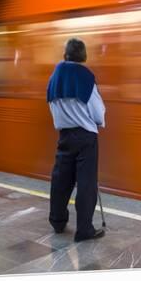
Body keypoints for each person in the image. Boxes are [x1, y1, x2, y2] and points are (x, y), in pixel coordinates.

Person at [46, 38, 106, 242]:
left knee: (61, 180)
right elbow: (98, 112)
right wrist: (93, 120)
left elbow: (51, 105)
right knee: (86, 183)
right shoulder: (85, 77)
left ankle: (58, 221)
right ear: (84, 56)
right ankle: (84, 230)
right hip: (86, 136)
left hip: (64, 135)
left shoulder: (54, 77)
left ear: (65, 55)